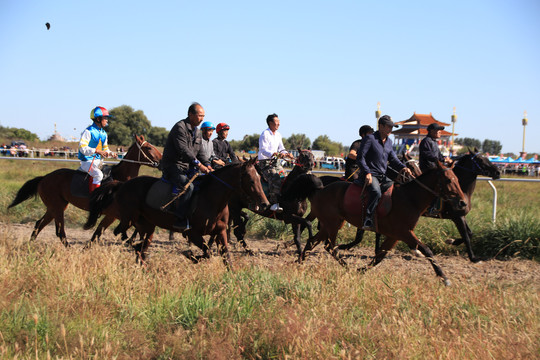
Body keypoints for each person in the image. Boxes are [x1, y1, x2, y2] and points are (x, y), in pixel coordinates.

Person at [356, 115, 412, 231]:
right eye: (389, 127)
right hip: (370, 175)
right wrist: (367, 173)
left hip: (382, 175)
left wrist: (403, 167)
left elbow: (393, 159)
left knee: (397, 189)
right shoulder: (370, 139)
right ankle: (368, 218)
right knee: (376, 192)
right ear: (381, 126)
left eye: (392, 127)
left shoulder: (389, 142)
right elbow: (360, 158)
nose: (391, 129)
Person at [161, 102, 211, 231]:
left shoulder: (198, 132)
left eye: (203, 116)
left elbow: (200, 152)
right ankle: (180, 219)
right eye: (200, 116)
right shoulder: (180, 127)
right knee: (188, 187)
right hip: (172, 166)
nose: (202, 119)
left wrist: (207, 164)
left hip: (188, 168)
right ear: (190, 114)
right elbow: (183, 150)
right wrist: (199, 165)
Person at [258, 113, 293, 212]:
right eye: (276, 122)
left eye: (279, 122)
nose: (278, 124)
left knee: (286, 178)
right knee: (275, 178)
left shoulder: (278, 135)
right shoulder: (264, 134)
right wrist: (274, 154)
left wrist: (287, 154)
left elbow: (282, 149)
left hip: (276, 163)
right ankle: (273, 203)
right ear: (270, 123)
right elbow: (263, 150)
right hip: (265, 163)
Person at [78, 106, 117, 192]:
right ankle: (94, 199)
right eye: (105, 118)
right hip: (87, 161)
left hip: (99, 162)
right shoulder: (88, 131)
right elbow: (82, 148)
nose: (107, 120)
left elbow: (105, 149)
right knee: (98, 175)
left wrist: (111, 153)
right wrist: (97, 151)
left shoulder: (104, 133)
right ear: (98, 119)